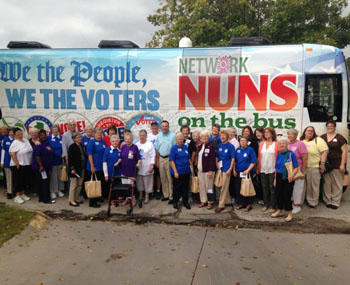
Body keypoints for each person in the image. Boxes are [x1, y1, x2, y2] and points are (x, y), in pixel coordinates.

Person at [321, 121, 347, 209]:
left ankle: (335, 202)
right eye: (328, 126)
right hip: (326, 164)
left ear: (335, 127)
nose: (330, 127)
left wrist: (342, 164)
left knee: (337, 183)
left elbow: (344, 152)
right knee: (326, 183)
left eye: (332, 126)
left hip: (337, 164)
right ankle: (328, 200)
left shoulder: (340, 138)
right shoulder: (322, 137)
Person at [300, 126, 328, 208]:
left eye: (312, 131)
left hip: (314, 167)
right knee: (301, 185)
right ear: (304, 132)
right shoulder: (301, 141)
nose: (310, 132)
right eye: (308, 130)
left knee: (313, 185)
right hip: (302, 167)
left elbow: (324, 151)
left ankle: (312, 202)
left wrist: (322, 164)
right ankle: (299, 201)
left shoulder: (318, 140)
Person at [272, 138, 299, 222]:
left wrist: (292, 174)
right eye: (280, 144)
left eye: (283, 143)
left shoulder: (291, 154)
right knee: (278, 194)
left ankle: (290, 213)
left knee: (287, 196)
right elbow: (276, 168)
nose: (281, 145)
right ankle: (279, 210)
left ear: (287, 145)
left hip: (288, 177)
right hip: (279, 176)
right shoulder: (279, 154)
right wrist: (275, 179)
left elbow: (296, 167)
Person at [257, 127, 279, 213]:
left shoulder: (276, 144)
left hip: (272, 169)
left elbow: (279, 157)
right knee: (264, 187)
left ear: (272, 134)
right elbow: (259, 156)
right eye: (265, 132)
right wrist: (258, 168)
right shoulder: (262, 143)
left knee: (272, 187)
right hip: (263, 169)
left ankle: (273, 205)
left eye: (268, 132)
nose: (266, 134)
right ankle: (266, 204)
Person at [9, 128, 33, 204]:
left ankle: (22, 194)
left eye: (20, 132)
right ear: (15, 134)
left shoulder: (25, 140)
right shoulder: (15, 142)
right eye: (17, 132)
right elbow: (12, 153)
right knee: (18, 180)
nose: (20, 133)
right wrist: (17, 163)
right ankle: (17, 196)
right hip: (18, 165)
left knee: (24, 180)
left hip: (26, 163)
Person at [287, 129, 308, 214]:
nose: (290, 136)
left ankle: (297, 205)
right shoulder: (288, 144)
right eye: (288, 134)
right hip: (289, 170)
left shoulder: (300, 144)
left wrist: (303, 171)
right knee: (291, 188)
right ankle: (292, 203)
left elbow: (305, 158)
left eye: (291, 134)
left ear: (296, 135)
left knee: (298, 188)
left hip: (298, 169)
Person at [155, 121, 176, 203]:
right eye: (163, 126)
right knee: (163, 178)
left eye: (166, 126)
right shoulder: (159, 136)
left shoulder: (173, 135)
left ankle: (171, 196)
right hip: (161, 158)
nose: (164, 128)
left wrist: (173, 160)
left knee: (169, 178)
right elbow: (157, 149)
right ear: (161, 127)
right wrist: (157, 160)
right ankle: (166, 195)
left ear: (168, 126)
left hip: (169, 159)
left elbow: (174, 148)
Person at [234, 136, 257, 212]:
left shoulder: (250, 150)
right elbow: (234, 161)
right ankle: (241, 203)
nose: (242, 142)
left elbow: (253, 162)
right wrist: (234, 170)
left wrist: (248, 170)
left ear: (247, 142)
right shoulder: (237, 150)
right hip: (238, 172)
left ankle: (248, 204)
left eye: (244, 141)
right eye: (241, 141)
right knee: (239, 188)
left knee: (247, 188)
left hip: (247, 173)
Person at [169, 133, 192, 210]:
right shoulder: (173, 148)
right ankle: (175, 201)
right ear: (176, 140)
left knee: (185, 188)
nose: (180, 141)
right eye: (178, 139)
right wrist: (175, 172)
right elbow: (171, 161)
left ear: (183, 140)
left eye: (181, 139)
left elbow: (188, 158)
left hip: (186, 171)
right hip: (177, 172)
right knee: (177, 188)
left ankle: (185, 202)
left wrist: (191, 167)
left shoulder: (185, 147)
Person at [31, 130, 55, 204]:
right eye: (41, 135)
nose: (43, 136)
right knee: (45, 182)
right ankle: (46, 199)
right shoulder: (38, 144)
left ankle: (41, 198)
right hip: (41, 168)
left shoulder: (45, 144)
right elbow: (37, 156)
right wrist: (41, 166)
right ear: (39, 136)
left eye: (44, 135)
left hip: (46, 167)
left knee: (41, 182)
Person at [118, 133, 141, 207]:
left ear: (132, 140)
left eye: (129, 139)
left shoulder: (135, 147)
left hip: (131, 170)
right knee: (125, 185)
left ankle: (133, 199)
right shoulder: (123, 147)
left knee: (131, 186)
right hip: (124, 170)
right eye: (126, 139)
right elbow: (121, 157)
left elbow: (139, 158)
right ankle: (127, 199)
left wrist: (138, 163)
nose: (128, 140)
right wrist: (117, 162)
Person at [215, 130, 235, 213]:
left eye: (224, 135)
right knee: (218, 185)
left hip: (227, 169)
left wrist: (230, 169)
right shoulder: (219, 145)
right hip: (220, 168)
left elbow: (233, 158)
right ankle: (228, 200)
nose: (222, 137)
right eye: (221, 136)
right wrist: (216, 163)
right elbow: (217, 156)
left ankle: (221, 205)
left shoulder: (230, 146)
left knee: (224, 187)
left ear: (227, 136)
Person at [86, 127, 106, 208]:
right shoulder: (91, 142)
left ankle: (97, 197)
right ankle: (92, 202)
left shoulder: (103, 142)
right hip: (94, 167)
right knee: (93, 184)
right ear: (95, 133)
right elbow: (89, 154)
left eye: (100, 132)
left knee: (99, 183)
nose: (99, 134)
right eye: (97, 132)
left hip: (101, 167)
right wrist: (92, 166)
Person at [136, 130, 155, 206]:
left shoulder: (150, 144)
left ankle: (147, 195)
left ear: (146, 136)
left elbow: (153, 155)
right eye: (140, 135)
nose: (142, 137)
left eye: (143, 135)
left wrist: (152, 165)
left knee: (147, 181)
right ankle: (141, 195)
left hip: (147, 165)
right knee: (139, 181)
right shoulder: (136, 145)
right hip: (139, 167)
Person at [197, 130, 216, 209]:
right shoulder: (200, 146)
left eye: (206, 136)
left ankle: (210, 202)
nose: (204, 138)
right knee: (202, 187)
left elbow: (212, 159)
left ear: (208, 137)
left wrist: (211, 170)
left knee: (209, 187)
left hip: (208, 171)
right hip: (200, 170)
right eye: (203, 136)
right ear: (201, 138)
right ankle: (203, 201)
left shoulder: (211, 146)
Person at [68, 132, 86, 207]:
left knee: (79, 184)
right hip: (74, 169)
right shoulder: (72, 147)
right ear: (74, 139)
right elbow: (70, 159)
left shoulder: (82, 146)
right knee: (74, 184)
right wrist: (72, 168)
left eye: (80, 137)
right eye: (78, 137)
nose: (80, 138)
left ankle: (76, 198)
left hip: (81, 168)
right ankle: (71, 200)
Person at [47, 124, 65, 200]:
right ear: (52, 130)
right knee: (53, 177)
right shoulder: (48, 138)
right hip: (52, 160)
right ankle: (53, 191)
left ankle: (59, 190)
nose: (55, 130)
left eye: (56, 129)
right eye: (54, 129)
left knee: (59, 176)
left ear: (58, 130)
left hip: (60, 160)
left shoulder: (61, 138)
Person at [147, 121, 161, 199]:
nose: (154, 127)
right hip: (150, 159)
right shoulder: (148, 136)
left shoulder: (160, 135)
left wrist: (158, 159)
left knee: (158, 175)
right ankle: (151, 190)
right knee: (151, 175)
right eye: (152, 126)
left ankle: (158, 190)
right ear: (151, 127)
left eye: (155, 126)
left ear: (158, 127)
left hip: (158, 158)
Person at [1, 128, 15, 199]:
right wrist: (2, 162)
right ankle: (9, 192)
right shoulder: (5, 140)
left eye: (13, 132)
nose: (12, 133)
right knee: (9, 178)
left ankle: (15, 191)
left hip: (16, 162)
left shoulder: (16, 140)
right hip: (7, 161)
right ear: (8, 133)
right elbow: (3, 151)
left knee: (15, 178)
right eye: (10, 132)